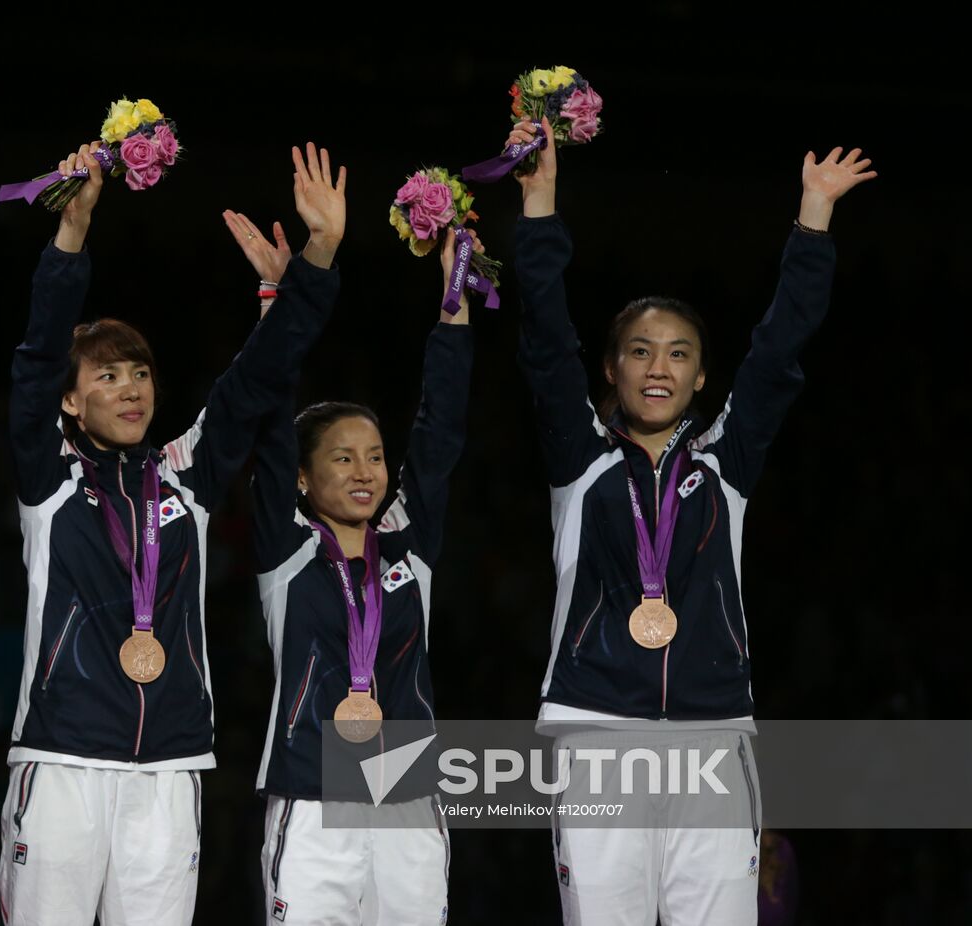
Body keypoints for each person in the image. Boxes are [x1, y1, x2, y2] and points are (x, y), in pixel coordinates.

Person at [508, 116, 874, 924]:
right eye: (639, 350)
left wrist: (813, 219)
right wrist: (540, 210)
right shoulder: (582, 460)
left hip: (713, 735)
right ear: (610, 369)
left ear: (701, 374)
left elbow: (778, 355)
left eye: (677, 352)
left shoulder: (724, 466)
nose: (658, 366)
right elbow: (542, 341)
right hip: (597, 729)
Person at [0, 141, 346, 925]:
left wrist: (313, 263)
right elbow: (33, 362)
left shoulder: (183, 477)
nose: (129, 389)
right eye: (106, 376)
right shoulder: (49, 477)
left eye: (141, 373)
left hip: (172, 764)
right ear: (69, 403)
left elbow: (254, 386)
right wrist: (72, 237)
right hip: (63, 761)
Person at [222, 209, 480, 924]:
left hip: (406, 792)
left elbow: (439, 436)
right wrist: (279, 302)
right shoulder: (288, 550)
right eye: (342, 457)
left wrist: (453, 306)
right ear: (303, 479)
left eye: (373, 456)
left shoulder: (407, 546)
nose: (365, 471)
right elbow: (270, 424)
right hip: (313, 790)